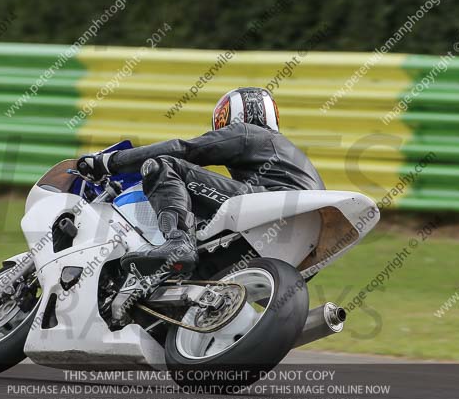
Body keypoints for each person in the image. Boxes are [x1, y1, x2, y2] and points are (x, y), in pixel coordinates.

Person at [77, 87, 325, 275]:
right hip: (299, 239)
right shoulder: (285, 154)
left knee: (163, 164)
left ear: (229, 117)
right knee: (203, 247)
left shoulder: (248, 132)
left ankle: (177, 241)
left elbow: (183, 149)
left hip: (275, 206)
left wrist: (109, 162)